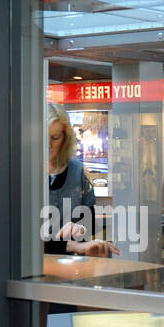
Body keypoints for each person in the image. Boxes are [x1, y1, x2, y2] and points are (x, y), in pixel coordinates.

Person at [45, 103, 118, 258]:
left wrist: (80, 228)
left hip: (72, 266)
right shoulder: (25, 173)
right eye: (44, 137)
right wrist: (76, 246)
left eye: (55, 138)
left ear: (65, 138)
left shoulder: (76, 170)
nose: (48, 145)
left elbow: (89, 219)